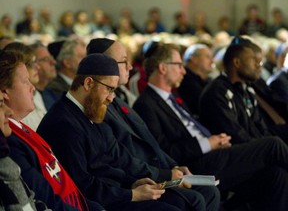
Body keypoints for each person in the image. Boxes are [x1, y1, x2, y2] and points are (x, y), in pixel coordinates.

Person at [132, 42, 288, 211]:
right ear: (162, 68)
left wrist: (216, 140)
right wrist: (207, 143)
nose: (183, 70)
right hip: (194, 165)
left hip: (214, 154)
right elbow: (162, 151)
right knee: (273, 144)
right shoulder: (146, 104)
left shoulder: (172, 98)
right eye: (179, 65)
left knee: (276, 175)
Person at [86, 38, 221, 211]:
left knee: (209, 191)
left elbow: (151, 142)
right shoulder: (99, 106)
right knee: (193, 199)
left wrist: (173, 166)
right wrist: (164, 174)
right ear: (103, 64)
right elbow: (121, 155)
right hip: (136, 179)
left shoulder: (118, 100)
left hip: (154, 170)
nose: (130, 67)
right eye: (124, 62)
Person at [37, 54, 183, 211]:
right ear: (88, 83)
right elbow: (81, 185)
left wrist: (132, 183)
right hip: (98, 203)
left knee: (183, 200)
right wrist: (132, 194)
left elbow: (110, 161)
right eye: (109, 89)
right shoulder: (63, 123)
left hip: (114, 193)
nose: (111, 98)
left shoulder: (90, 111)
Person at [0, 50, 105, 210]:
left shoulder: (22, 130)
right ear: (4, 92)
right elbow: (46, 198)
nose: (33, 88)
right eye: (25, 81)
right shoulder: (10, 139)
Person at [0, 88, 39, 210]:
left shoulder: (5, 158)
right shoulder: (12, 147)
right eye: (0, 105)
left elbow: (33, 203)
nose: (9, 112)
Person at [177, 44, 214, 117]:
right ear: (194, 59)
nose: (212, 61)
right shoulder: (185, 81)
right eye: (207, 57)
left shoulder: (207, 80)